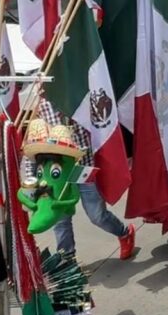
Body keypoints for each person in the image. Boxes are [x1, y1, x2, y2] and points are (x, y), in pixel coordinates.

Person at [38, 99, 136, 260]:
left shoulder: (78, 99)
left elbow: (97, 130)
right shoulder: (42, 105)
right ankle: (68, 259)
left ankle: (124, 233)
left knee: (96, 215)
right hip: (59, 173)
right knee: (60, 219)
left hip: (83, 166)